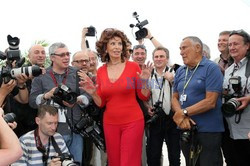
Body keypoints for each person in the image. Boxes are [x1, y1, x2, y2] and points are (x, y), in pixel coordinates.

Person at [79, 28, 152, 166]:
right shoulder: (101, 71)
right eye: (113, 43)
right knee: (114, 162)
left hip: (133, 121)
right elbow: (101, 103)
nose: (117, 47)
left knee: (128, 162)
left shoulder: (133, 67)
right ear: (105, 48)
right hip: (110, 123)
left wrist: (144, 81)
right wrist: (93, 93)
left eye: (120, 43)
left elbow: (143, 95)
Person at [29, 42, 90, 165]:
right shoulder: (41, 76)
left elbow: (88, 96)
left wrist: (78, 99)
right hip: (51, 133)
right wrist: (47, 95)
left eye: (68, 54)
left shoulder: (78, 74)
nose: (66, 57)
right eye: (62, 55)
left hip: (75, 130)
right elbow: (32, 101)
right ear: (52, 57)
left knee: (75, 164)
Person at [172, 36, 224, 166]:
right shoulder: (180, 71)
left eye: (184, 48)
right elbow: (174, 98)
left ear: (197, 48)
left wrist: (183, 112)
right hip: (186, 129)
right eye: (180, 49)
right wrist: (181, 116)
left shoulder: (211, 68)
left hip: (208, 131)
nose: (180, 52)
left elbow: (210, 101)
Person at [146, 46, 180, 166]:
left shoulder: (176, 73)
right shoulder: (147, 75)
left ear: (167, 59)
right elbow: (141, 96)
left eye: (162, 56)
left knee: (174, 155)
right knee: (153, 155)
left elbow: (183, 92)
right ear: (153, 59)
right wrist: (146, 107)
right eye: (156, 57)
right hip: (155, 118)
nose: (159, 59)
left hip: (173, 118)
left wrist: (173, 81)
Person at [223, 29, 250, 166]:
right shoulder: (228, 70)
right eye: (230, 44)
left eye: (236, 44)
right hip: (231, 131)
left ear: (247, 45)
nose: (232, 47)